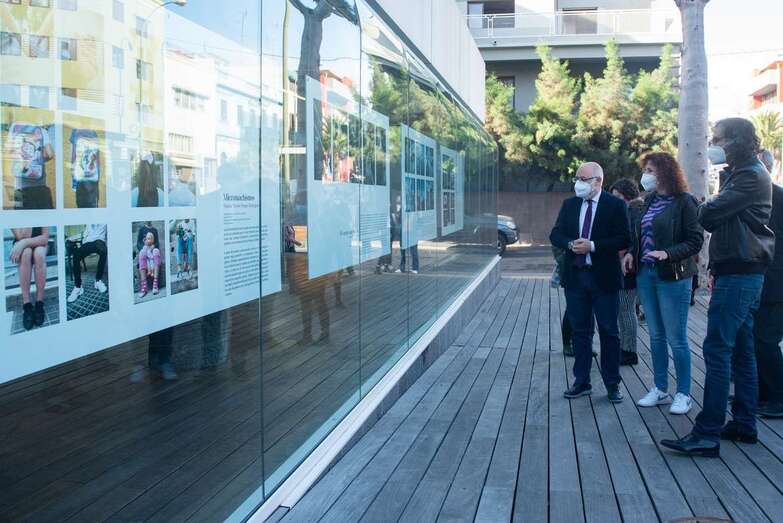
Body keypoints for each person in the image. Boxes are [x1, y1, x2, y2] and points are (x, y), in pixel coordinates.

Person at [661, 118, 774, 457]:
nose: (712, 144)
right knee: (740, 349)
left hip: (741, 273)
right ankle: (743, 423)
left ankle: (707, 432)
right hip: (741, 270)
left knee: (717, 348)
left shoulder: (750, 176)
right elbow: (713, 214)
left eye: (718, 139)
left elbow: (706, 216)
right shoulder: (743, 174)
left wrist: (701, 202)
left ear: (737, 141)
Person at [622, 153, 704, 415]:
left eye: (650, 170)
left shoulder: (685, 202)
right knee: (655, 335)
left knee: (676, 338)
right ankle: (660, 388)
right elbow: (641, 236)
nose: (645, 175)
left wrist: (667, 253)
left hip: (674, 276)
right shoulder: (647, 201)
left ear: (666, 172)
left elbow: (695, 241)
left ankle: (683, 394)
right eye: (644, 170)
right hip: (646, 274)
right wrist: (630, 254)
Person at [550, 162, 631, 403]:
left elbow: (623, 238)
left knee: (609, 331)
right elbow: (556, 234)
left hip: (604, 278)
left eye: (583, 179)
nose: (578, 183)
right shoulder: (570, 204)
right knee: (580, 331)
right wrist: (569, 244)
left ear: (598, 181)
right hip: (576, 277)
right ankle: (581, 381)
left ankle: (612, 384)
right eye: (577, 178)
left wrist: (593, 246)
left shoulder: (615, 205)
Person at [754, 149, 783, 418]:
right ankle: (762, 392)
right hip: (756, 279)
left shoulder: (779, 197)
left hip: (775, 282)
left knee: (766, 340)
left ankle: (778, 397)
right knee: (755, 340)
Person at [609, 178, 645, 366]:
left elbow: (632, 238)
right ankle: (626, 349)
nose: (614, 200)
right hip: (626, 266)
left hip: (627, 267)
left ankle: (629, 351)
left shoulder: (633, 211)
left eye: (617, 196)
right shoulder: (634, 209)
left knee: (626, 309)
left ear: (627, 196)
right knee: (626, 309)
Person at [10, 227, 50, 330]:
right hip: (21, 244)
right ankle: (27, 305)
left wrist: (24, 243)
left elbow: (45, 238)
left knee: (39, 254)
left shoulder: (43, 211)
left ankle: (39, 303)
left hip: (38, 243)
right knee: (26, 253)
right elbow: (21, 236)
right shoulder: (13, 211)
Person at [67, 224, 108, 303]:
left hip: (99, 241)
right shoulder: (89, 220)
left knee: (103, 250)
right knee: (76, 255)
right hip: (88, 242)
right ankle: (78, 286)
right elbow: (84, 234)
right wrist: (72, 238)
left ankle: (98, 280)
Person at [138, 231, 161, 298]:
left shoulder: (154, 231)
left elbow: (157, 244)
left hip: (153, 260)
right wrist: (146, 250)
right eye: (148, 238)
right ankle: (144, 287)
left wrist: (152, 248)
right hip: (146, 261)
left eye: (150, 238)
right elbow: (139, 245)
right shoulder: (144, 246)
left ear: (153, 240)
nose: (149, 240)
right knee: (142, 252)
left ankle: (155, 285)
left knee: (156, 251)